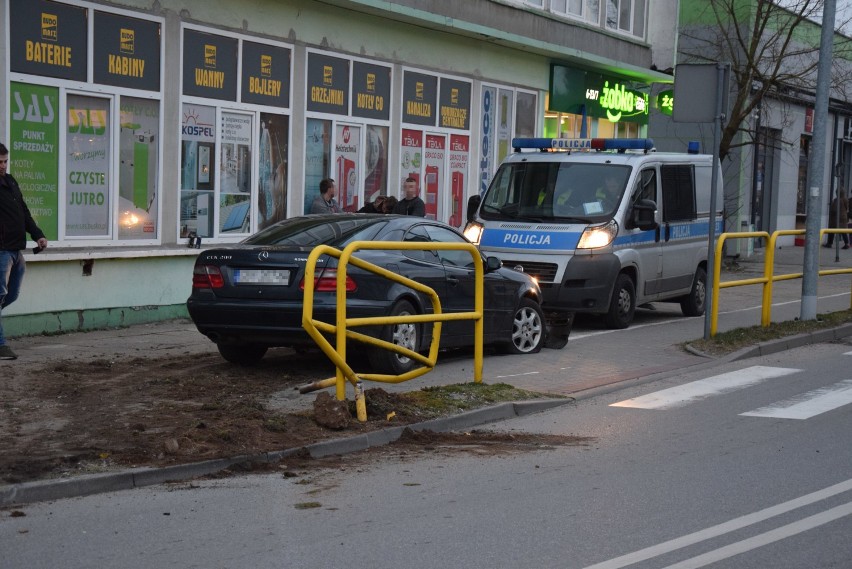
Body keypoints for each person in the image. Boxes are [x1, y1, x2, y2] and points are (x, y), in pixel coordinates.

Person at [0, 142, 48, 360]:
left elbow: (24, 212)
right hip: (1, 250)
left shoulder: (10, 181)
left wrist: (37, 234)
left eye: (5, 161)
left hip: (17, 249)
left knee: (12, 295)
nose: (3, 166)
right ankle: (1, 345)